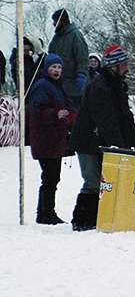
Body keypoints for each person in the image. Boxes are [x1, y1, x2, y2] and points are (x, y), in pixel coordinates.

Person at [68, 45, 135, 232]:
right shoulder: (99, 87)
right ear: (114, 66)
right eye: (124, 64)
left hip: (100, 141)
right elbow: (106, 120)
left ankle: (97, 218)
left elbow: (125, 117)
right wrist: (120, 146)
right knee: (92, 181)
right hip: (88, 140)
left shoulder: (116, 85)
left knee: (102, 180)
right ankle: (82, 220)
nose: (127, 68)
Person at [28, 53, 77, 224]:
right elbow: (36, 111)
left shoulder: (57, 86)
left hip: (54, 139)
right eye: (53, 67)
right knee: (50, 176)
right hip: (45, 140)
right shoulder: (42, 86)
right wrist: (55, 114)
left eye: (59, 67)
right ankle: (46, 214)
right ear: (46, 68)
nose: (56, 70)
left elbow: (67, 106)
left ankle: (45, 212)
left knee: (52, 176)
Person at [48, 9, 89, 108]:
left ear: (62, 21)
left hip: (73, 87)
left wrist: (81, 75)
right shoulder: (56, 38)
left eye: (55, 21)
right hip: (59, 85)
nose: (54, 24)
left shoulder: (75, 36)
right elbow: (50, 55)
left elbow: (82, 59)